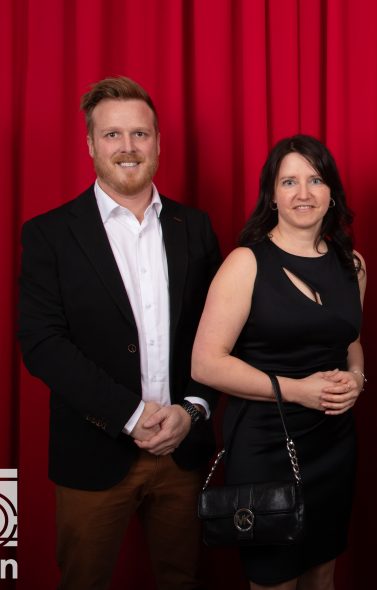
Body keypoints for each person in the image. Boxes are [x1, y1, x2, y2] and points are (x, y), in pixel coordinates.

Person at [17, 76, 221, 588]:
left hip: (182, 452)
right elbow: (42, 344)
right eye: (112, 134)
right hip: (93, 451)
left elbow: (216, 334)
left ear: (157, 143)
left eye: (139, 134)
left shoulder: (195, 228)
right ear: (90, 144)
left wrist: (192, 410)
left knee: (181, 580)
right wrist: (130, 415)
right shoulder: (49, 234)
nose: (128, 147)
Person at [191, 134, 366, 590]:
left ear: (331, 192)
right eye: (289, 182)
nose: (303, 193)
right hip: (266, 445)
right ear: (272, 195)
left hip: (334, 442)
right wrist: (299, 390)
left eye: (315, 180)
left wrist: (357, 377)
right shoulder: (245, 263)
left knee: (323, 571)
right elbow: (206, 364)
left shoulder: (353, 265)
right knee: (275, 579)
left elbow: (350, 340)